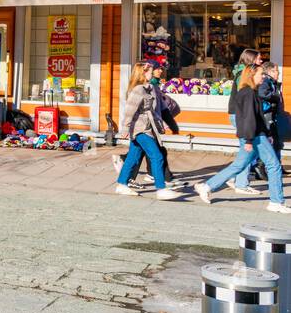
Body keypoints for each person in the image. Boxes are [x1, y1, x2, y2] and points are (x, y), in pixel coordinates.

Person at [195, 62, 291, 214]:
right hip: (254, 136)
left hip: (258, 134)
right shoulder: (248, 93)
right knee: (274, 165)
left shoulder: (251, 92)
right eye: (261, 74)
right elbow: (247, 119)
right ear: (252, 75)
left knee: (239, 165)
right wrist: (248, 140)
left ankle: (207, 186)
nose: (263, 77)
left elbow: (256, 118)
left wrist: (266, 134)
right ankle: (276, 201)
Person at [114, 61, 182, 200]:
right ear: (143, 73)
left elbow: (162, 107)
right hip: (140, 129)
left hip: (148, 128)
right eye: (151, 71)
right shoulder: (138, 89)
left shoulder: (151, 87)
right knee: (157, 156)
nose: (154, 73)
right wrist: (125, 128)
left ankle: (121, 184)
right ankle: (161, 189)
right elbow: (129, 110)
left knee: (133, 157)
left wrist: (171, 124)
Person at [225, 49, 264, 192]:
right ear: (251, 59)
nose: (261, 60)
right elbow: (245, 96)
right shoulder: (243, 74)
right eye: (259, 58)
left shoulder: (243, 72)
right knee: (248, 149)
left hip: (239, 113)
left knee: (246, 150)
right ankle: (240, 183)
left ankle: (234, 178)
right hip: (240, 114)